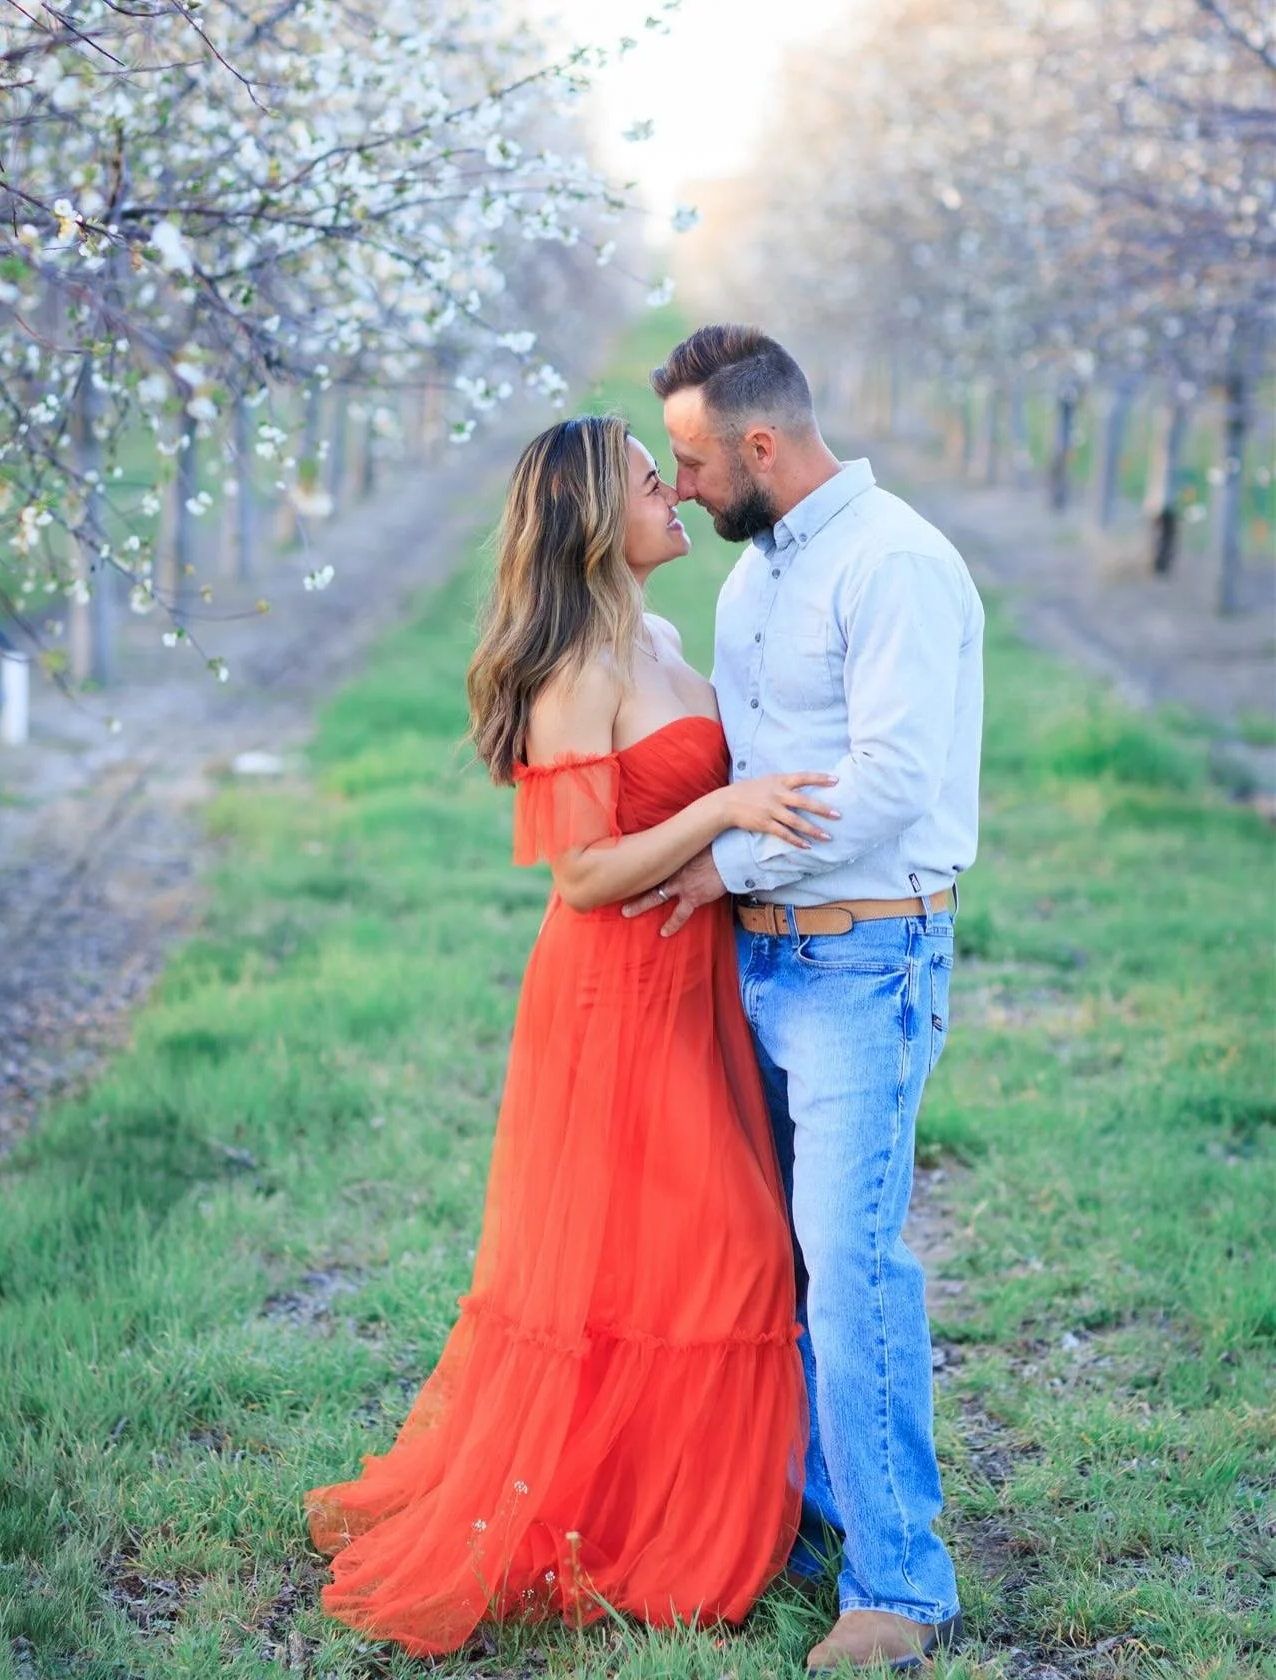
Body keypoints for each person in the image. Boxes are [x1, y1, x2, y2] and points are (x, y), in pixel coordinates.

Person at [305, 414, 839, 1655]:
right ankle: (644, 1534)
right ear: (601, 520)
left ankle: (659, 1511)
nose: (680, 496)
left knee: (693, 1253)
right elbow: (586, 875)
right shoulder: (577, 672)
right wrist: (723, 804)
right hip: (615, 1001)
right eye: (657, 484)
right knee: (707, 1254)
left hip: (694, 977)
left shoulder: (654, 632)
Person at [626, 325, 984, 1674]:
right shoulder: (753, 580)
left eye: (697, 460)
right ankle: (824, 1521)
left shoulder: (890, 564)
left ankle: (901, 1587)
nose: (688, 485)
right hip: (757, 964)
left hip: (857, 963)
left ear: (761, 447)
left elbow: (886, 785)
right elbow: (743, 755)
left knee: (850, 1267)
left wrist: (720, 865)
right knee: (765, 1263)